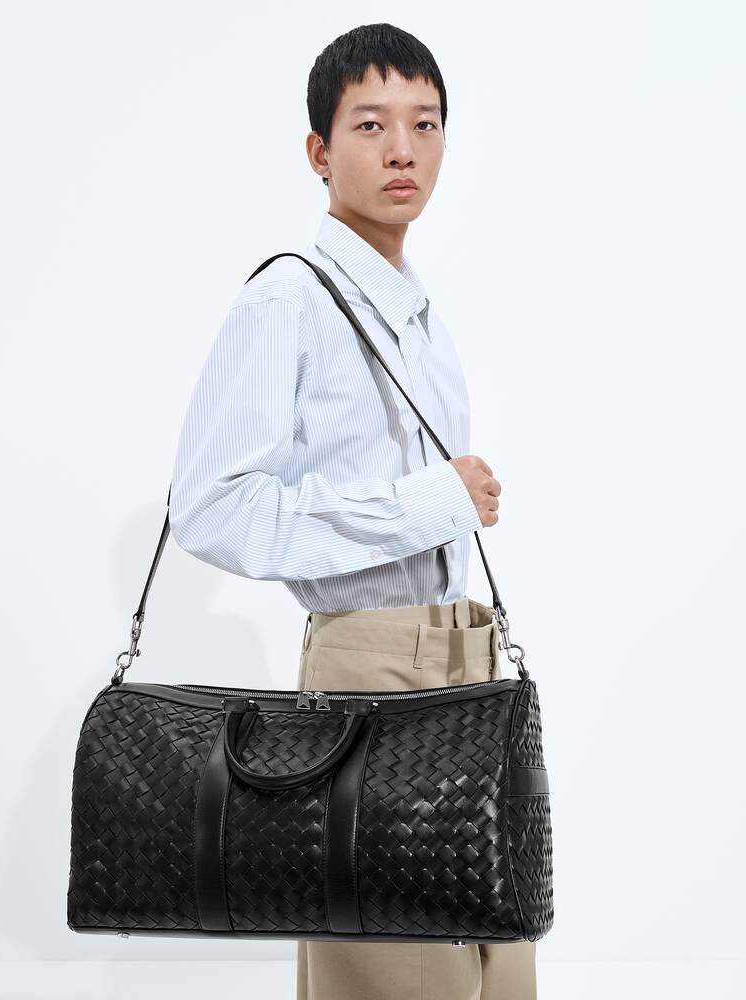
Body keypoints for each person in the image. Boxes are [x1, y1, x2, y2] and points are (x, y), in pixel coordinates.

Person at [168, 21, 537, 1000]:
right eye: (371, 125)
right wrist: (428, 503)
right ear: (319, 152)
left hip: (467, 657)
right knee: (395, 971)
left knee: (498, 969)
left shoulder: (420, 316)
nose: (402, 149)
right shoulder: (286, 301)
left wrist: (443, 511)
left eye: (425, 123)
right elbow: (211, 505)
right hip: (368, 669)